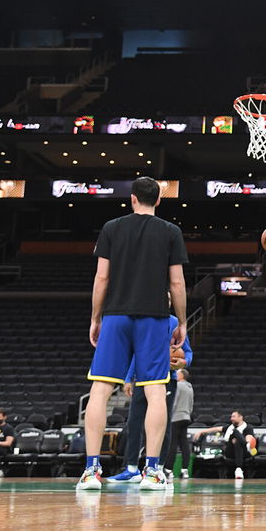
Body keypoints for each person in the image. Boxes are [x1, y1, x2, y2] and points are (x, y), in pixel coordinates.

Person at [77, 176, 188, 491]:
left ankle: (91, 471)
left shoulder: (112, 227)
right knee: (155, 391)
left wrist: (95, 317)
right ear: (159, 201)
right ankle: (152, 471)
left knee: (100, 389)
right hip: (153, 318)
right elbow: (177, 283)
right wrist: (180, 321)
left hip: (115, 316)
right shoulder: (170, 231)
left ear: (132, 199)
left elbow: (101, 279)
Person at [108, 317, 192, 484]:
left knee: (164, 424)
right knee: (134, 422)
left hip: (166, 378)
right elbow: (136, 353)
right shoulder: (141, 320)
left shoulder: (175, 323)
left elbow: (187, 352)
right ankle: (131, 469)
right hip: (142, 377)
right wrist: (128, 378)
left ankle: (158, 469)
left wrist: (183, 362)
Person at [194, 410, 255, 479]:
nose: (231, 418)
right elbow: (215, 429)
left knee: (237, 441)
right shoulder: (229, 428)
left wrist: (242, 441)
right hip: (230, 452)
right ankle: (239, 469)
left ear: (240, 417)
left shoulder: (248, 427)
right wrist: (200, 432)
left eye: (234, 416)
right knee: (234, 432)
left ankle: (238, 469)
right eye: (231, 417)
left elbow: (249, 437)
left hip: (244, 452)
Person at [162, 368, 194, 479]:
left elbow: (174, 401)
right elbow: (191, 403)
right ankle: (185, 470)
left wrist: (169, 414)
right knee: (184, 444)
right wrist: (188, 413)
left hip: (176, 417)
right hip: (186, 416)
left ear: (182, 376)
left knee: (173, 443)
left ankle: (168, 470)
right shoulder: (190, 387)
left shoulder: (178, 385)